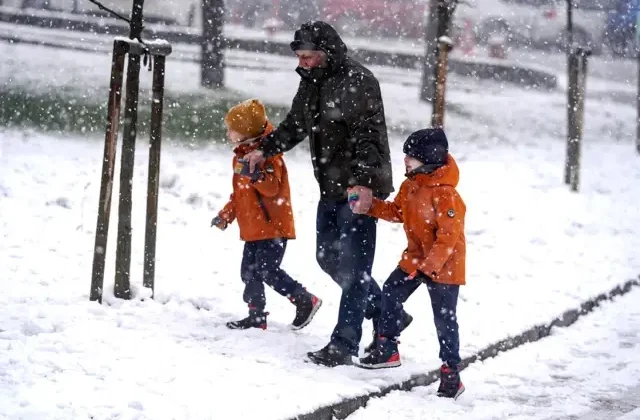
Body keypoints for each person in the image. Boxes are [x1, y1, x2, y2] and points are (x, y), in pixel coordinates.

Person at [243, 21, 412, 366]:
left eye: (308, 57)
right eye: (300, 57)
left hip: (358, 189)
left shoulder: (358, 81)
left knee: (354, 268)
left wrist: (364, 184)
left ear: (326, 54)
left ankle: (344, 344)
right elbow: (295, 124)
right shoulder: (312, 83)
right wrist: (265, 150)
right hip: (331, 185)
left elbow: (368, 137)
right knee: (327, 257)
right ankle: (384, 311)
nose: (302, 63)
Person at [354, 128, 466, 400]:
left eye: (411, 156)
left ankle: (451, 374)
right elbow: (397, 212)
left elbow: (448, 239)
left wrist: (430, 268)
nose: (405, 160)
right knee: (391, 290)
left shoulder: (446, 195)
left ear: (428, 158)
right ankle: (387, 348)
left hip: (444, 266)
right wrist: (370, 206)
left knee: (444, 320)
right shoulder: (411, 185)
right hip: (416, 259)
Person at [211, 98, 322, 331]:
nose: (228, 132)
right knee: (249, 272)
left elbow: (271, 189)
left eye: (232, 129)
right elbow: (240, 195)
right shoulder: (240, 157)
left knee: (268, 271)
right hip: (253, 228)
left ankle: (304, 299)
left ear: (246, 133)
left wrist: (257, 176)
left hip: (272, 227)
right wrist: (226, 216)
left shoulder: (270, 157)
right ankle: (256, 315)